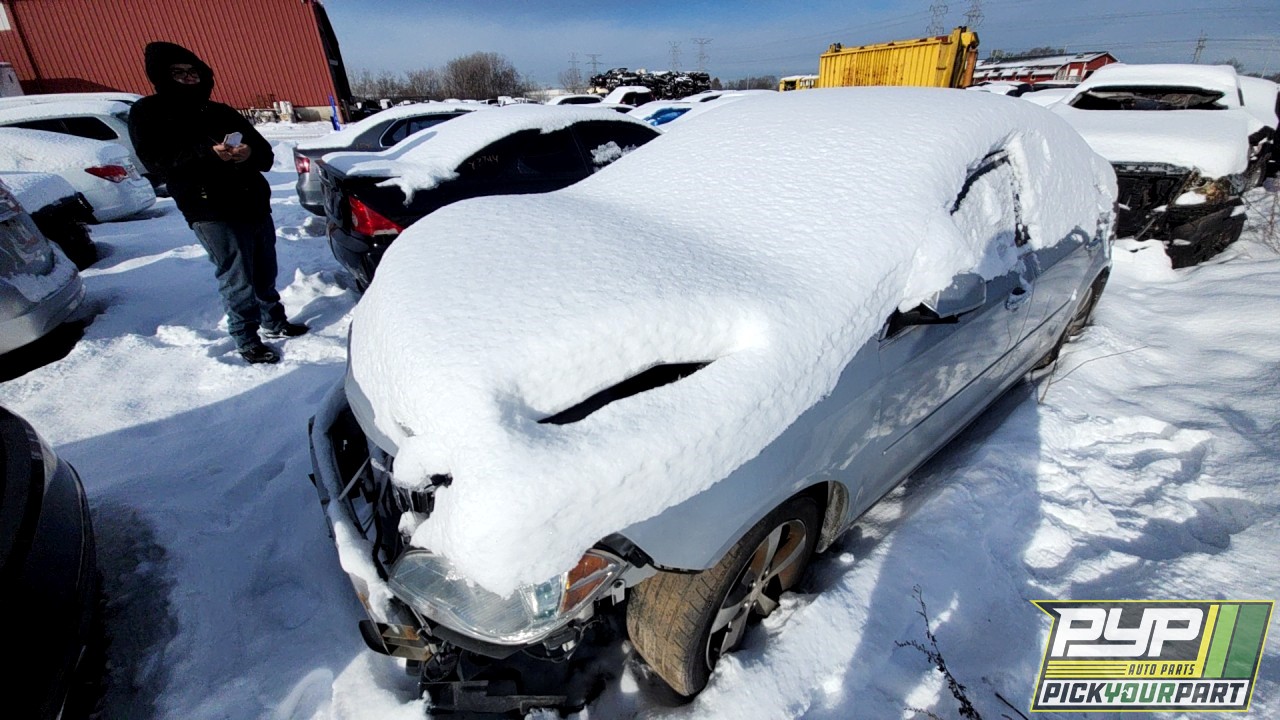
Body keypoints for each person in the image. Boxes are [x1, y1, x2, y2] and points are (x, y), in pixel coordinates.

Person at [128, 41, 307, 365]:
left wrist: (249, 153)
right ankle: (247, 338)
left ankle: (274, 322)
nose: (187, 77)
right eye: (178, 72)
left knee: (265, 272)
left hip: (252, 203)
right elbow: (156, 161)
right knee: (238, 277)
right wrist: (207, 154)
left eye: (192, 71)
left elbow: (265, 155)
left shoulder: (220, 112)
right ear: (161, 76)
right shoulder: (148, 113)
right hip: (210, 209)